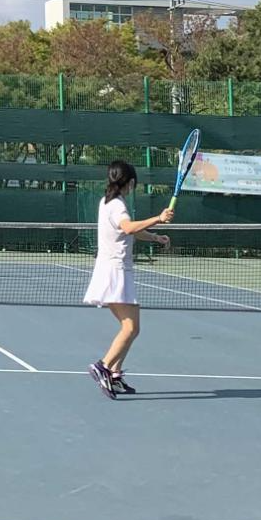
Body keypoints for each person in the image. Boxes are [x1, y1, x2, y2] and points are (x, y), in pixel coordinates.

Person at [85, 160, 172, 399]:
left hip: (111, 270)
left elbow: (128, 229)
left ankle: (114, 374)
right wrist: (158, 218)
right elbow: (128, 227)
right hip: (115, 272)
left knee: (131, 328)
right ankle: (102, 366)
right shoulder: (117, 206)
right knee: (131, 327)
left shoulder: (107, 202)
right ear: (131, 182)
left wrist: (155, 238)